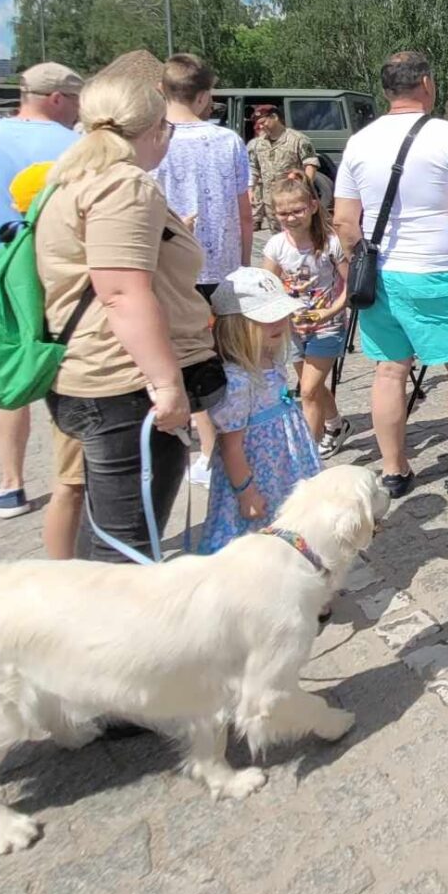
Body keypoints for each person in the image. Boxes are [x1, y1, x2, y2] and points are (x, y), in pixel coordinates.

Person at [37, 65, 227, 563]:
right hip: (125, 386)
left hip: (94, 376)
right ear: (152, 129)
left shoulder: (74, 178)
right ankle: (116, 637)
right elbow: (122, 292)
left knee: (107, 532)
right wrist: (167, 385)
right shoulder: (125, 185)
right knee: (127, 548)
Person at [333, 50, 448, 503]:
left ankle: (394, 470)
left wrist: (360, 260)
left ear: (387, 90)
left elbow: (343, 223)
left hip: (382, 274)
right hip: (438, 269)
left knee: (389, 371)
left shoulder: (359, 142)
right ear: (427, 84)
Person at [0, 62, 87, 555]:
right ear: (56, 99)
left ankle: (10, 484)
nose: (77, 110)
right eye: (75, 100)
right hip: (64, 277)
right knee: (69, 376)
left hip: (4, 277)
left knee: (11, 379)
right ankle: (74, 482)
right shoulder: (75, 146)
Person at [152, 54, 254, 481]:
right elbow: (244, 211)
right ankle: (227, 444)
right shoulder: (227, 140)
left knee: (179, 355)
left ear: (163, 91)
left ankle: (196, 442)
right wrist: (245, 263)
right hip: (223, 267)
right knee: (225, 358)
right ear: (205, 95)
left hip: (172, 271)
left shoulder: (154, 140)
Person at [198, 267, 321, 556]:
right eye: (266, 319)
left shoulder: (270, 359)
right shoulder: (238, 380)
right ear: (237, 326)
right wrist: (246, 491)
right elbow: (231, 446)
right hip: (258, 474)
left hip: (285, 465)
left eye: (281, 314)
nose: (279, 322)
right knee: (253, 543)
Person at [261, 173, 351, 456]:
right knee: (315, 386)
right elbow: (266, 285)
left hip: (328, 325)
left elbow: (351, 286)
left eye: (297, 210)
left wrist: (330, 312)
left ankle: (307, 457)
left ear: (313, 206)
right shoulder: (276, 245)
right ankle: (336, 425)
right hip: (293, 327)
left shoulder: (331, 243)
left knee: (308, 391)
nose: (290, 217)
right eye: (283, 212)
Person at [249, 103, 319, 232]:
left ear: (274, 117)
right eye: (258, 124)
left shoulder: (298, 139)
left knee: (299, 236)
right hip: (271, 202)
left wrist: (304, 186)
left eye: (263, 122)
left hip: (294, 201)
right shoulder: (258, 144)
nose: (260, 126)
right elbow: (254, 168)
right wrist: (250, 189)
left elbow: (310, 164)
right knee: (278, 239)